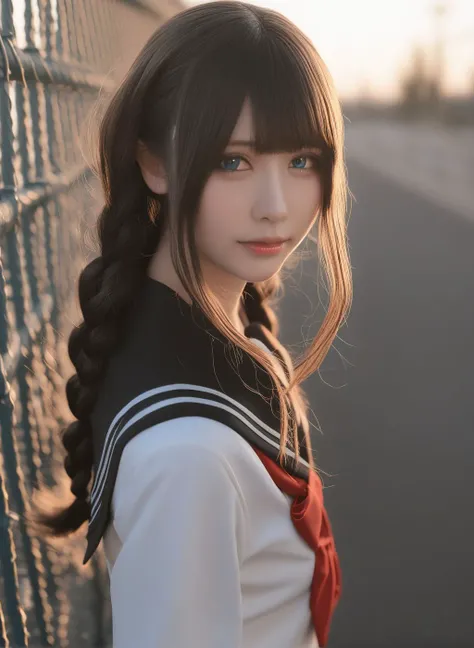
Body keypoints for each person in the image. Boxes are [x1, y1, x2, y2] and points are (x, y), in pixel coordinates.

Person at [31, 2, 352, 646]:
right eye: (233, 161)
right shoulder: (190, 458)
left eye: (301, 161)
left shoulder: (203, 335)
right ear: (154, 163)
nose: (274, 207)